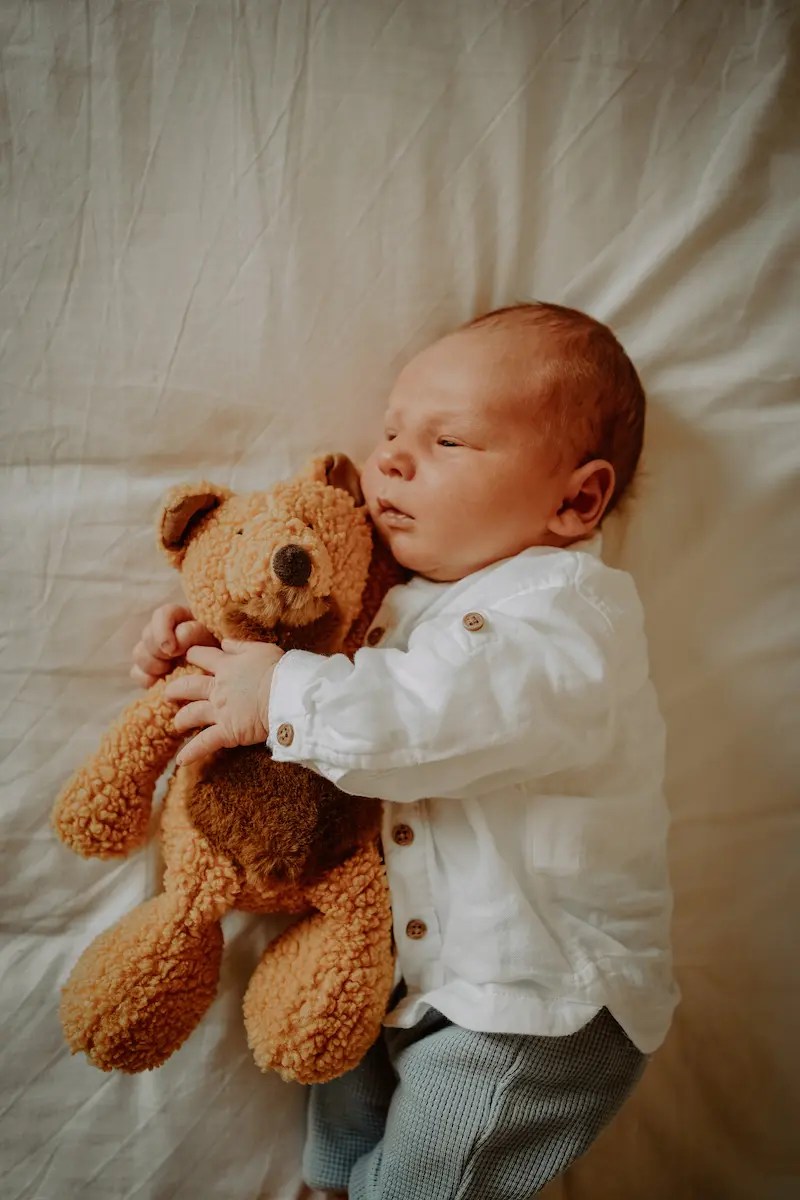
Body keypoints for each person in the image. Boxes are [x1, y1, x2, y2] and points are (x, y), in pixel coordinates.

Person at [133, 302, 678, 1199]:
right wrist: (210, 648)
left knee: (429, 1177)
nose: (390, 458)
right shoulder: (404, 599)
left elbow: (437, 720)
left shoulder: (569, 613)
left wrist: (279, 695)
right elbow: (321, 653)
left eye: (449, 442)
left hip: (535, 1003)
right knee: (337, 1127)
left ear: (577, 499)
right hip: (405, 978)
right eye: (390, 432)